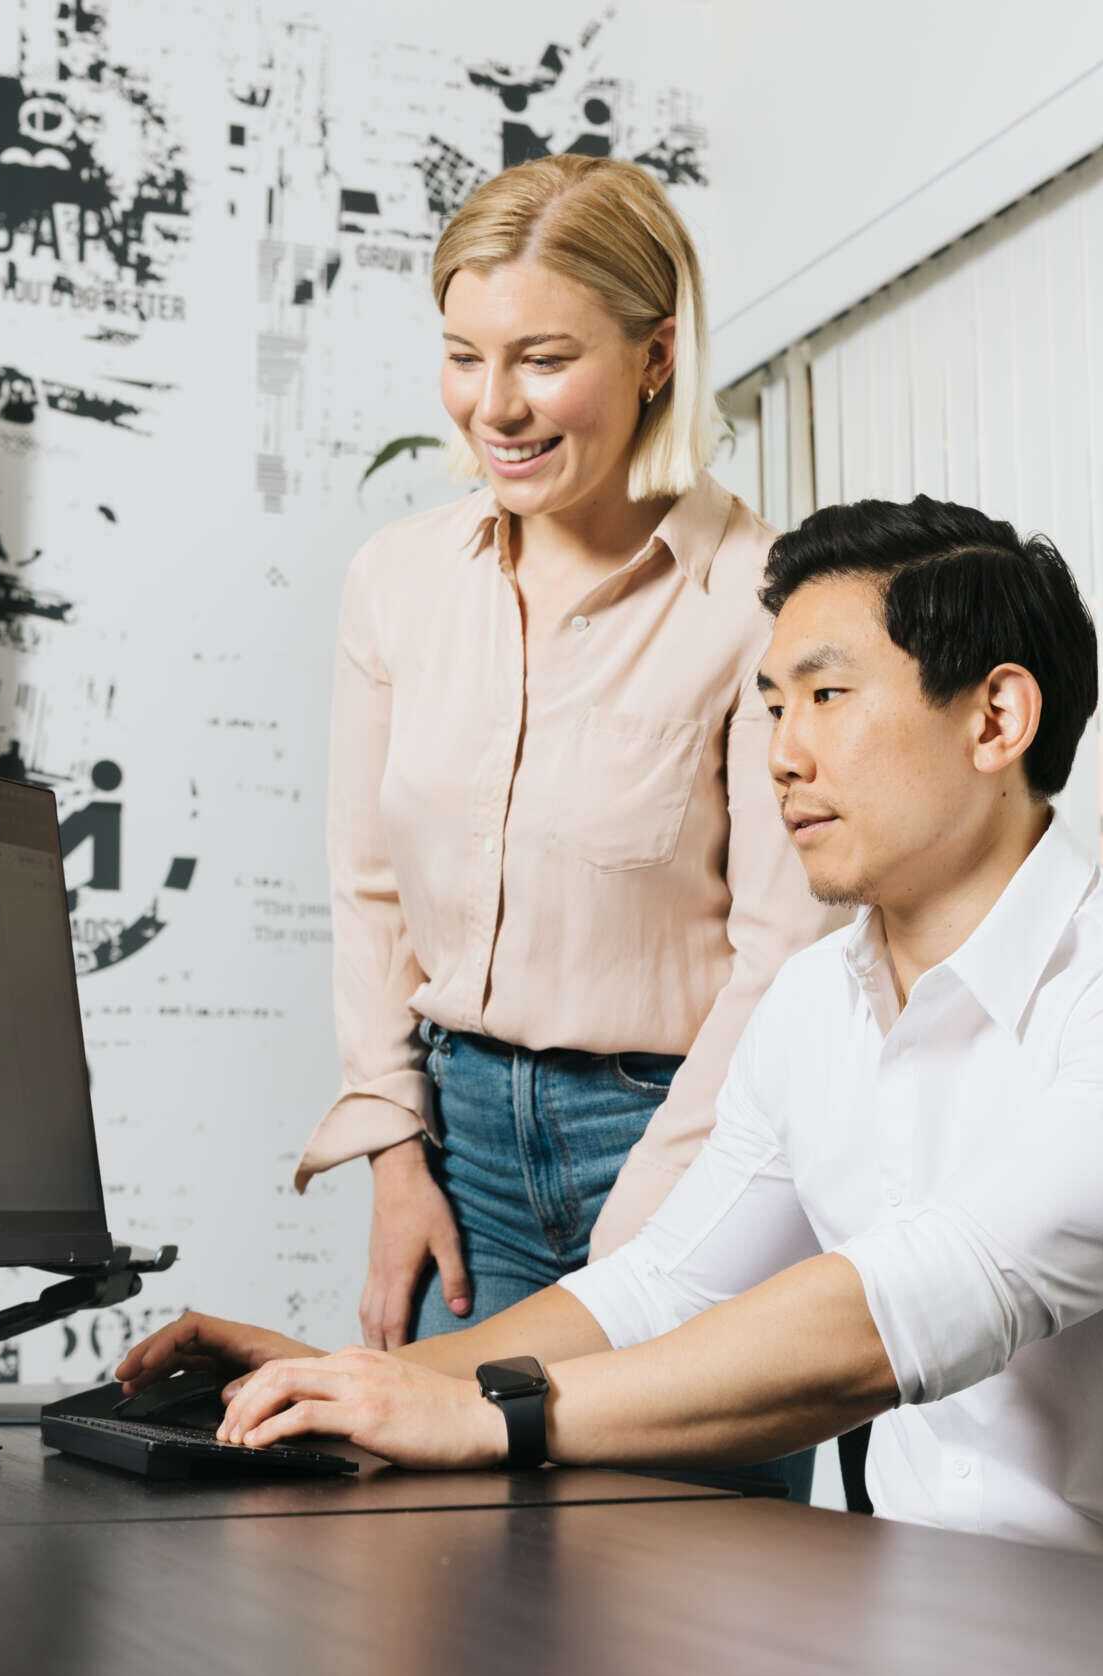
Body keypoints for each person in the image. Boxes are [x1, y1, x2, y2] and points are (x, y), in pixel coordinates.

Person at [125, 496, 1103, 1601]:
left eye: (827, 697)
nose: (781, 753)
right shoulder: (817, 1001)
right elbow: (661, 1291)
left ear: (995, 717)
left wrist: (480, 1414)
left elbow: (910, 1313)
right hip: (926, 1621)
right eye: (770, 705)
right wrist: (355, 1386)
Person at [300, 152, 840, 1394]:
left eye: (544, 359)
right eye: (464, 355)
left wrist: (653, 1237)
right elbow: (368, 886)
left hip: (695, 1138)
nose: (494, 406)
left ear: (656, 357)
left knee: (690, 1569)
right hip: (461, 1148)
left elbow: (783, 958)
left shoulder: (769, 600)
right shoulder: (397, 580)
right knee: (440, 1561)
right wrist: (394, 1154)